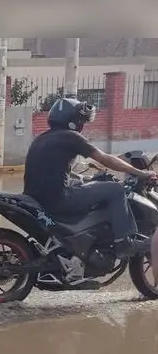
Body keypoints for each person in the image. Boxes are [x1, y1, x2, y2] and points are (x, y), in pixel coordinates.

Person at [23, 97, 157, 258]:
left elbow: (50, 169)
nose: (82, 125)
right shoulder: (72, 137)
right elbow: (105, 158)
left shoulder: (41, 138)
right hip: (58, 199)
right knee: (115, 189)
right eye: (81, 121)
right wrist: (141, 173)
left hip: (35, 197)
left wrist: (82, 178)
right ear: (75, 120)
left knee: (83, 182)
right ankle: (124, 241)